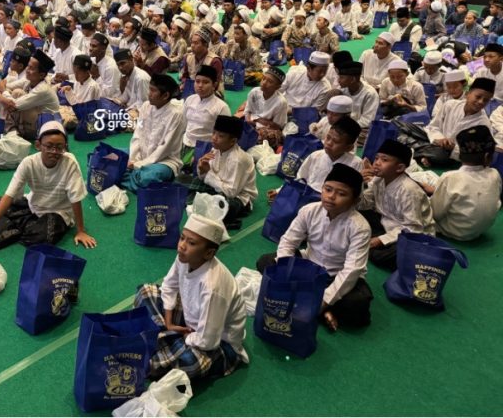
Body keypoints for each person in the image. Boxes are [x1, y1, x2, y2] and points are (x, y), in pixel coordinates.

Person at [134, 206, 248, 379]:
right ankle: (166, 341)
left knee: (189, 363)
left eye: (191, 243)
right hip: (190, 322)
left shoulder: (212, 287)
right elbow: (169, 285)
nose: (181, 246)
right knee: (145, 292)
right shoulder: (185, 257)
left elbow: (208, 341)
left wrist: (185, 336)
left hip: (219, 342)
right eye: (182, 238)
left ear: (209, 253)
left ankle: (162, 342)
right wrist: (169, 321)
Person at [256, 164, 373, 331]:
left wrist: (324, 301)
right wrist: (285, 272)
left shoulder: (359, 227)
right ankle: (319, 309)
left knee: (357, 305)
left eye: (341, 194)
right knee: (266, 262)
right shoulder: (309, 210)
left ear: (355, 200)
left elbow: (352, 270)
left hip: (337, 275)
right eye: (328, 189)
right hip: (308, 266)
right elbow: (289, 241)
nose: (331, 197)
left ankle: (313, 305)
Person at [0, 120, 97, 253]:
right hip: (33, 205)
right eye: (49, 146)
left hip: (58, 212)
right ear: (38, 145)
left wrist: (80, 231)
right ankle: (14, 230)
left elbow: (76, 199)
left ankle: (10, 229)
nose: (54, 151)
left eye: (60, 147)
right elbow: (9, 195)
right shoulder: (28, 163)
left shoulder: (70, 163)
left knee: (43, 237)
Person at [359, 139, 435, 272]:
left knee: (381, 256)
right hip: (387, 223)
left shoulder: (409, 190)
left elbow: (414, 228)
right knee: (353, 212)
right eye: (376, 158)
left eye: (384, 160)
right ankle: (368, 241)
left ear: (399, 168)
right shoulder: (378, 180)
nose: (377, 163)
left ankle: (370, 243)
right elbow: (363, 204)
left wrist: (381, 240)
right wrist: (358, 183)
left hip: (413, 235)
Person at [421, 126, 501, 241]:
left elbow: (436, 214)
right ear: (487, 156)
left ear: (459, 155)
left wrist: (430, 195)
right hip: (481, 229)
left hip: (455, 231)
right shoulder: (495, 174)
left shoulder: (450, 177)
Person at [184, 115, 258, 229]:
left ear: (233, 141)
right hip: (218, 188)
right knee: (195, 181)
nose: (214, 138)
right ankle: (205, 207)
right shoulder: (216, 149)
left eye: (220, 136)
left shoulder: (238, 160)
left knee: (228, 205)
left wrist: (208, 174)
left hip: (239, 197)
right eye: (214, 133)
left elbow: (231, 192)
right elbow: (206, 177)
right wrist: (202, 169)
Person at [122, 74, 186, 192]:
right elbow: (137, 134)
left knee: (148, 177)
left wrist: (137, 165)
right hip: (141, 154)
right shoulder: (146, 106)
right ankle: (133, 179)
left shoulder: (176, 115)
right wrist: (133, 158)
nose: (149, 94)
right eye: (149, 89)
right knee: (113, 156)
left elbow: (165, 148)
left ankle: (124, 177)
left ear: (165, 95)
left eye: (153, 90)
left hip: (164, 161)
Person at [411, 77, 494, 167]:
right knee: (405, 127)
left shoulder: (483, 124)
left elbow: (476, 154)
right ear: (468, 94)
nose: (481, 102)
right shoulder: (450, 105)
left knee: (439, 155)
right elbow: (433, 126)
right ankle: (423, 153)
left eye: (486, 100)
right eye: (478, 97)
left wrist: (453, 148)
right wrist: (439, 139)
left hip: (451, 155)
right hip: (435, 142)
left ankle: (413, 150)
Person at [0, 49, 60, 140]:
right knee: (16, 93)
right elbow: (0, 85)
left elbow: (14, 105)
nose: (27, 70)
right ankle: (12, 130)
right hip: (31, 121)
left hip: (45, 128)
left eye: (32, 68)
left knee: (13, 98)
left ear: (41, 75)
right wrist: (2, 96)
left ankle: (12, 131)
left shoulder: (43, 89)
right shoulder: (28, 79)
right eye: (28, 67)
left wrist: (1, 95)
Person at [181, 65, 230, 168]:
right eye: (197, 81)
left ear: (214, 85)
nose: (200, 85)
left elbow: (224, 137)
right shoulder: (190, 99)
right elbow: (183, 125)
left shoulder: (221, 107)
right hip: (185, 142)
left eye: (205, 82)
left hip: (206, 148)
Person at [235, 66, 288, 149]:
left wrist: (258, 121)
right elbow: (248, 111)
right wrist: (248, 121)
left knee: (268, 137)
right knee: (231, 124)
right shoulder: (254, 92)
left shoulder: (281, 102)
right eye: (264, 79)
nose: (264, 83)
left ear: (277, 87)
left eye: (270, 82)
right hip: (250, 123)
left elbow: (278, 126)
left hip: (267, 129)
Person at [114, 48, 151, 118]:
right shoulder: (128, 75)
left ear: (131, 60)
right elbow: (125, 96)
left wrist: (126, 111)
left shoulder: (141, 78)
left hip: (142, 115)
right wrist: (115, 102)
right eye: (118, 65)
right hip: (129, 110)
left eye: (122, 63)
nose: (120, 68)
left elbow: (143, 104)